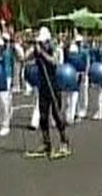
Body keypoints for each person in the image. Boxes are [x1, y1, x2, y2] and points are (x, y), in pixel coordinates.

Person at [25, 27, 70, 159]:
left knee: (56, 115)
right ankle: (46, 143)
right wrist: (20, 49)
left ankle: (64, 142)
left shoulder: (54, 48)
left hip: (53, 85)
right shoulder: (37, 49)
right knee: (43, 115)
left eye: (43, 42)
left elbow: (54, 61)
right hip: (43, 86)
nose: (41, 44)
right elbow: (24, 58)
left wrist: (43, 53)